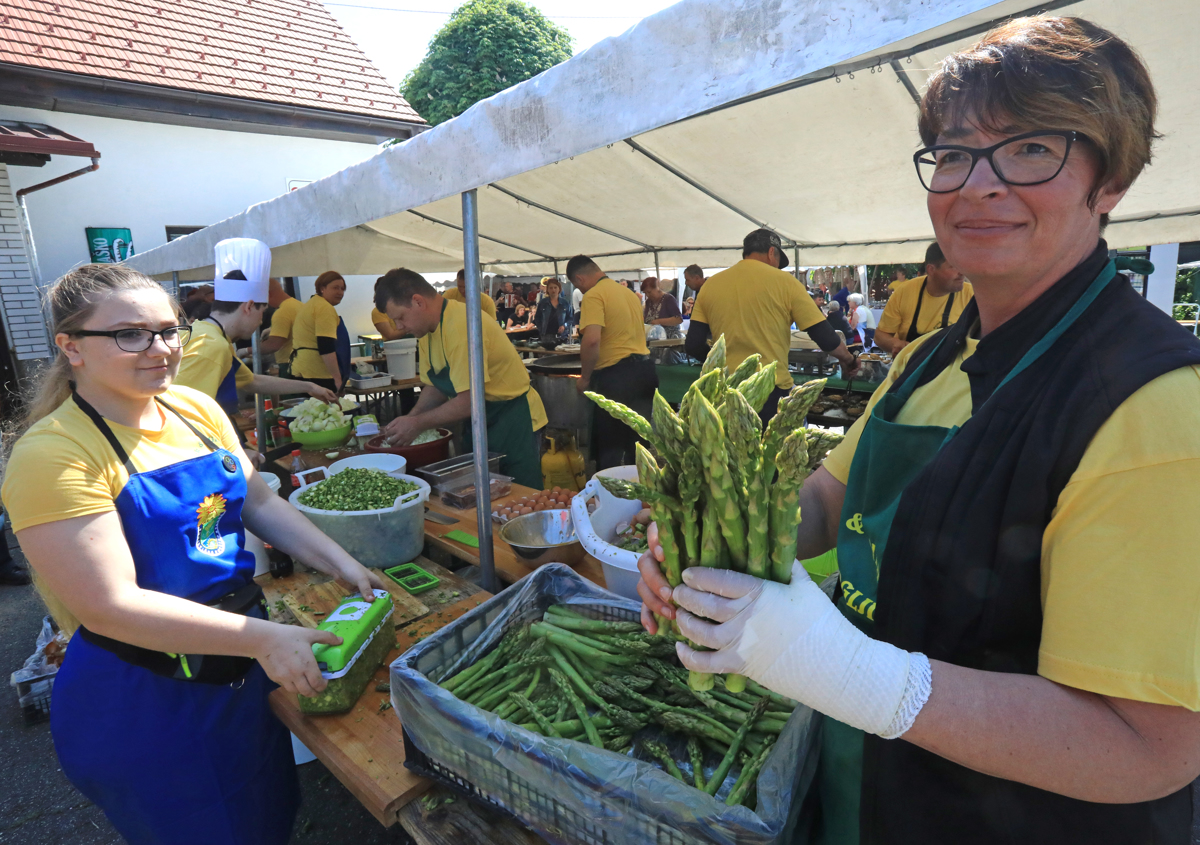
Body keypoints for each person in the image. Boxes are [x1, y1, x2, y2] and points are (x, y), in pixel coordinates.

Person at [639, 16, 1200, 845]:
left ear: (1109, 179)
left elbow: (1150, 747)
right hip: (868, 792)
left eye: (1030, 149)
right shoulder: (928, 358)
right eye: (954, 153)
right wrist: (713, 541)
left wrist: (858, 675)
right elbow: (826, 499)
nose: (978, 184)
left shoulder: (1155, 404)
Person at [1, 263, 383, 845]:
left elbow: (257, 499)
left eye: (168, 330)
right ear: (71, 347)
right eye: (130, 334)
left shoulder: (194, 409)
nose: (161, 349)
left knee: (266, 817)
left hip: (238, 663)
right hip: (150, 698)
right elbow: (109, 606)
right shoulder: (54, 454)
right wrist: (263, 639)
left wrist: (341, 563)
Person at [376, 268, 547, 489]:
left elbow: (469, 402)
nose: (399, 327)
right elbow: (436, 386)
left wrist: (417, 424)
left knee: (520, 496)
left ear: (418, 302)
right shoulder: (427, 330)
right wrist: (409, 419)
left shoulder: (461, 326)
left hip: (516, 420)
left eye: (400, 318)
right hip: (482, 423)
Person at [686, 228, 857, 422]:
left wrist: (722, 367)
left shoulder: (710, 285)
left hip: (727, 392)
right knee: (778, 441)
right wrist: (849, 360)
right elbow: (824, 336)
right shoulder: (786, 282)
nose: (777, 267)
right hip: (772, 391)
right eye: (778, 261)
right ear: (771, 252)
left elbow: (693, 344)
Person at [176, 240, 337, 423]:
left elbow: (252, 381)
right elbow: (181, 412)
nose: (261, 321)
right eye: (262, 312)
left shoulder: (207, 333)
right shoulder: (211, 346)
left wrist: (310, 387)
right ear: (249, 306)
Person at [567, 255, 658, 470]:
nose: (580, 290)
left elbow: (592, 341)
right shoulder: (629, 294)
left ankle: (609, 488)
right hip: (645, 372)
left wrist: (585, 378)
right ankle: (642, 488)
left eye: (577, 286)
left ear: (579, 279)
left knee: (610, 448)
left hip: (617, 378)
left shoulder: (594, 295)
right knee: (639, 444)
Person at [874, 242, 974, 356]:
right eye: (953, 266)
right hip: (911, 364)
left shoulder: (972, 295)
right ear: (931, 269)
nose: (962, 272)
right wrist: (895, 344)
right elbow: (880, 336)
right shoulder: (905, 292)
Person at [291, 271, 351, 392]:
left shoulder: (311, 304)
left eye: (342, 289)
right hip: (318, 373)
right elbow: (326, 346)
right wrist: (337, 378)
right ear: (322, 288)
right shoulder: (324, 308)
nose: (340, 292)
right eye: (335, 288)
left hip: (301, 369)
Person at [258, 278, 303, 376]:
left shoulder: (281, 312)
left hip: (289, 364)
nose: (266, 305)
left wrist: (248, 350)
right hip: (303, 361)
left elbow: (273, 345)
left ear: (268, 294)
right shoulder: (298, 304)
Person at [533, 276, 573, 341]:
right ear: (547, 290)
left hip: (562, 335)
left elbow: (570, 318)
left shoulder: (565, 303)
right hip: (546, 335)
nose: (553, 290)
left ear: (559, 289)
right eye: (551, 288)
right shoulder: (542, 303)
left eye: (555, 287)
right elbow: (537, 318)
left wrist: (564, 326)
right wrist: (541, 329)